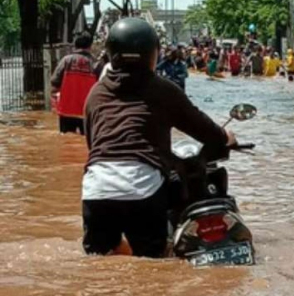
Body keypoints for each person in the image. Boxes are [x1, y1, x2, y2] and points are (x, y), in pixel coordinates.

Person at [82, 18, 237, 258]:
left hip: (96, 189)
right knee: (155, 260)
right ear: (152, 54)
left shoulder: (96, 93)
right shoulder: (162, 89)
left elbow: (93, 144)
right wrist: (225, 136)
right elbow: (202, 127)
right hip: (143, 188)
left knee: (101, 260)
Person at [51, 31, 98, 135]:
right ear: (90, 45)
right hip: (87, 111)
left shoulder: (66, 61)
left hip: (67, 110)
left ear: (75, 45)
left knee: (66, 141)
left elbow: (54, 82)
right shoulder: (95, 63)